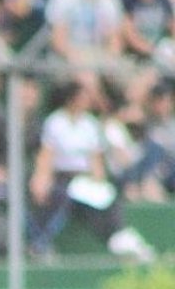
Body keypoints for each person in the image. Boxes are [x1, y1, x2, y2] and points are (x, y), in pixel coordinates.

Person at [28, 80, 154, 262]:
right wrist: (41, 179)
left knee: (106, 196)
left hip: (83, 179)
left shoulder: (89, 124)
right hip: (62, 177)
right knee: (60, 196)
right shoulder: (55, 122)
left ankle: (118, 237)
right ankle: (40, 243)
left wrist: (98, 180)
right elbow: (46, 155)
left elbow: (95, 159)